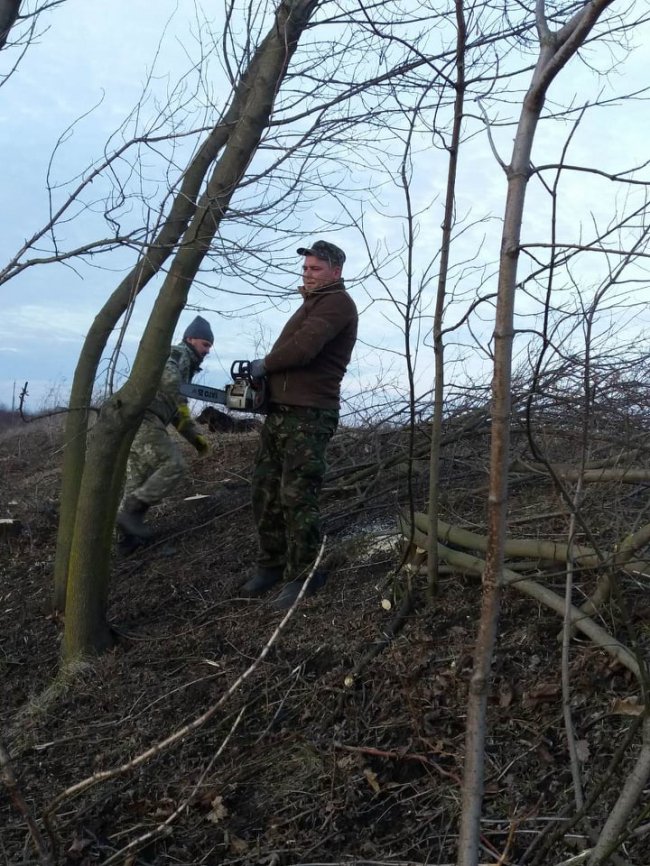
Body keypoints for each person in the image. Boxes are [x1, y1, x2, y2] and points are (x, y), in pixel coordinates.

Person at [241, 240, 358, 608]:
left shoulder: (338, 304)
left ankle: (304, 574)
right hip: (282, 414)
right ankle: (272, 564)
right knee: (265, 491)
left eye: (315, 269)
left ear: (335, 272)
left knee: (297, 496)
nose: (307, 274)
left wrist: (265, 364)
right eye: (306, 268)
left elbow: (305, 349)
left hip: (309, 416)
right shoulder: (309, 305)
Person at [116, 315, 213, 540]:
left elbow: (179, 413)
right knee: (174, 464)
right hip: (144, 418)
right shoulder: (177, 354)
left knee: (136, 483)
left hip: (142, 421)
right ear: (191, 339)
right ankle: (130, 515)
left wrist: (197, 440)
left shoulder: (186, 366)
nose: (207, 350)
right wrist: (179, 390)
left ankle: (127, 541)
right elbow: (171, 383)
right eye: (205, 344)